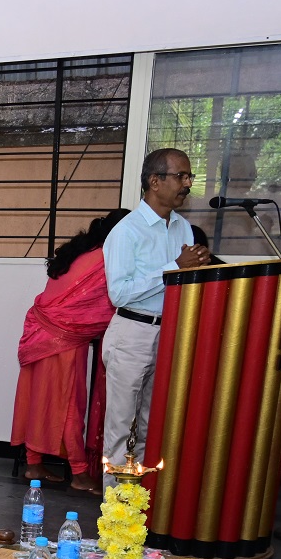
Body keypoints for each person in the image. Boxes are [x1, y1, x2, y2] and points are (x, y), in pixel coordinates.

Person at [101, 147, 211, 470]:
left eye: (189, 176)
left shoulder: (183, 228)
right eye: (181, 176)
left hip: (170, 332)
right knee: (122, 431)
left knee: (151, 427)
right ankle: (116, 505)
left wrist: (197, 269)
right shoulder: (126, 231)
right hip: (132, 333)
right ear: (155, 181)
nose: (187, 184)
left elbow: (184, 281)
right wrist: (174, 268)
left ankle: (140, 500)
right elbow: (119, 293)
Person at [10, 208, 131, 496]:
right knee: (68, 407)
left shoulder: (80, 251)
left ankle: (34, 465)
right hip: (62, 340)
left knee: (37, 401)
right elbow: (112, 303)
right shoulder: (105, 258)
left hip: (39, 332)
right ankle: (79, 473)